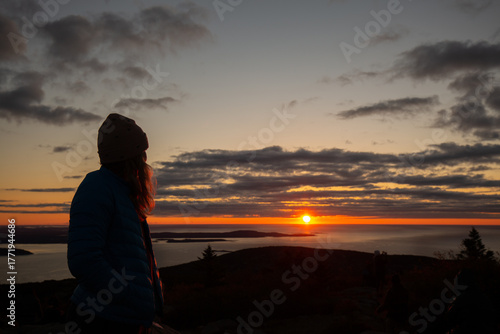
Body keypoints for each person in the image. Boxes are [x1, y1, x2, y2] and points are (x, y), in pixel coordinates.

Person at [67, 113, 164, 334]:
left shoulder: (123, 191)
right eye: (142, 154)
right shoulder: (98, 187)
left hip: (120, 319)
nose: (145, 160)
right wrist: (127, 295)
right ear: (133, 157)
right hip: (102, 321)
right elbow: (84, 260)